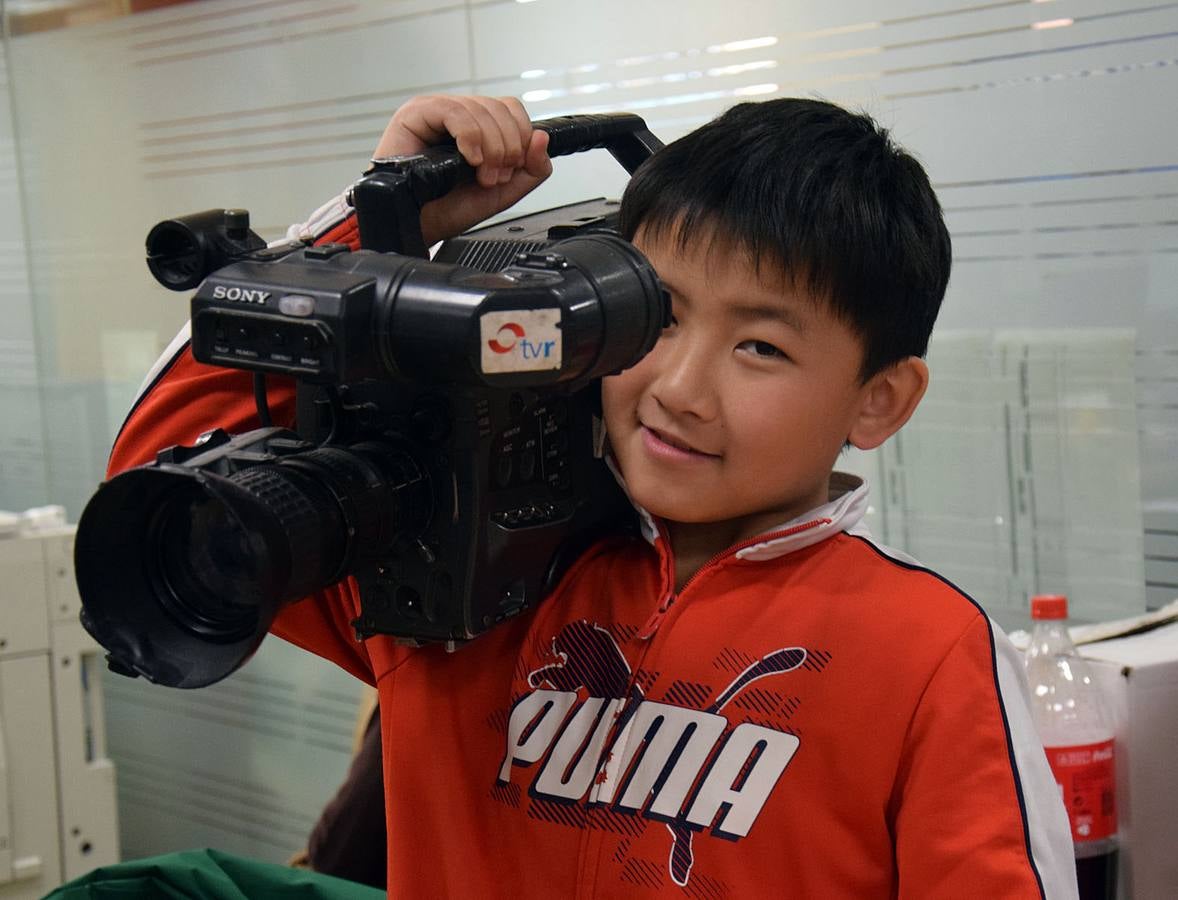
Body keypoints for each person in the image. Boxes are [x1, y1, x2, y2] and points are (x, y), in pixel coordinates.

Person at [109, 95, 1078, 897]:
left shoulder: (925, 655)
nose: (678, 389)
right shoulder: (463, 568)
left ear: (878, 398)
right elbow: (163, 470)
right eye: (656, 314)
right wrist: (384, 225)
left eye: (759, 348)